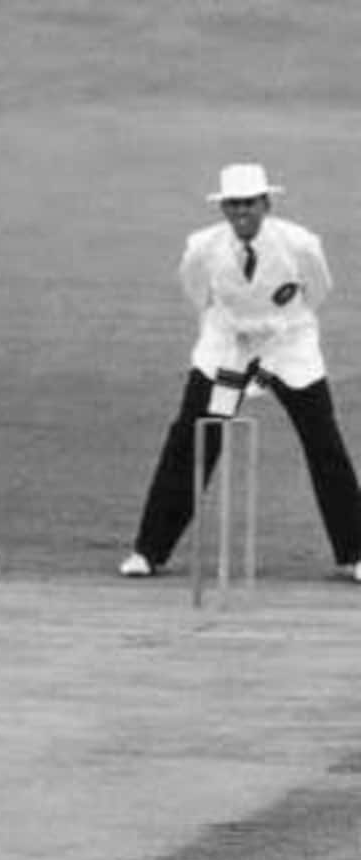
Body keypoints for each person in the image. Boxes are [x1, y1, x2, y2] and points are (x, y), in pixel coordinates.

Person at [120, 162, 361, 583]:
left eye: (249, 203)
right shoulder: (202, 247)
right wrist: (237, 334)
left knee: (323, 441)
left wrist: (273, 334)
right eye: (234, 204)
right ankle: (149, 551)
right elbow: (198, 295)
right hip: (227, 348)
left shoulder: (300, 244)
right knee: (192, 439)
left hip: (288, 346)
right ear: (223, 208)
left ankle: (355, 553)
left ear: (266, 204)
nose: (242, 212)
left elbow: (317, 292)